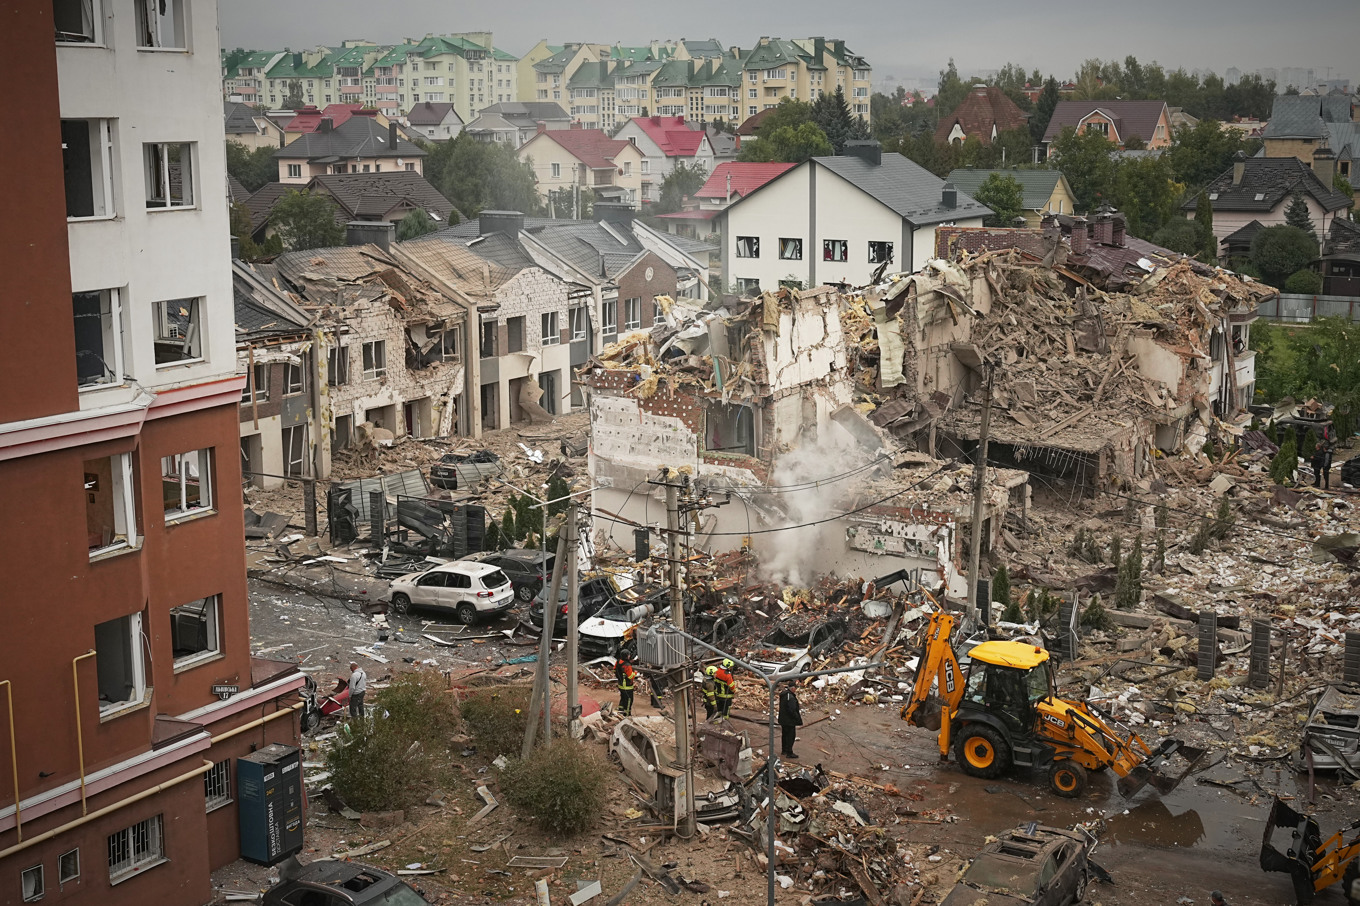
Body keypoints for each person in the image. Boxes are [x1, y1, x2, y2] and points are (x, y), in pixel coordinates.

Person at [778, 685, 803, 759]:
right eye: (795, 688)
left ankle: (784, 750)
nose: (795, 690)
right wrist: (797, 718)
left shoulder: (784, 695)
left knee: (784, 735)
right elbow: (792, 710)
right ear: (792, 688)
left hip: (783, 719)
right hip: (789, 721)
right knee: (790, 736)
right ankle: (789, 752)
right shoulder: (790, 697)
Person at [616, 653, 636, 717]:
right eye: (629, 655)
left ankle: (620, 711)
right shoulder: (627, 665)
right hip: (627, 687)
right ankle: (627, 714)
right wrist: (635, 672)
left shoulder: (618, 662)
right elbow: (630, 676)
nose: (630, 656)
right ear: (627, 656)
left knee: (623, 698)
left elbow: (615, 669)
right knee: (629, 700)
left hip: (621, 685)